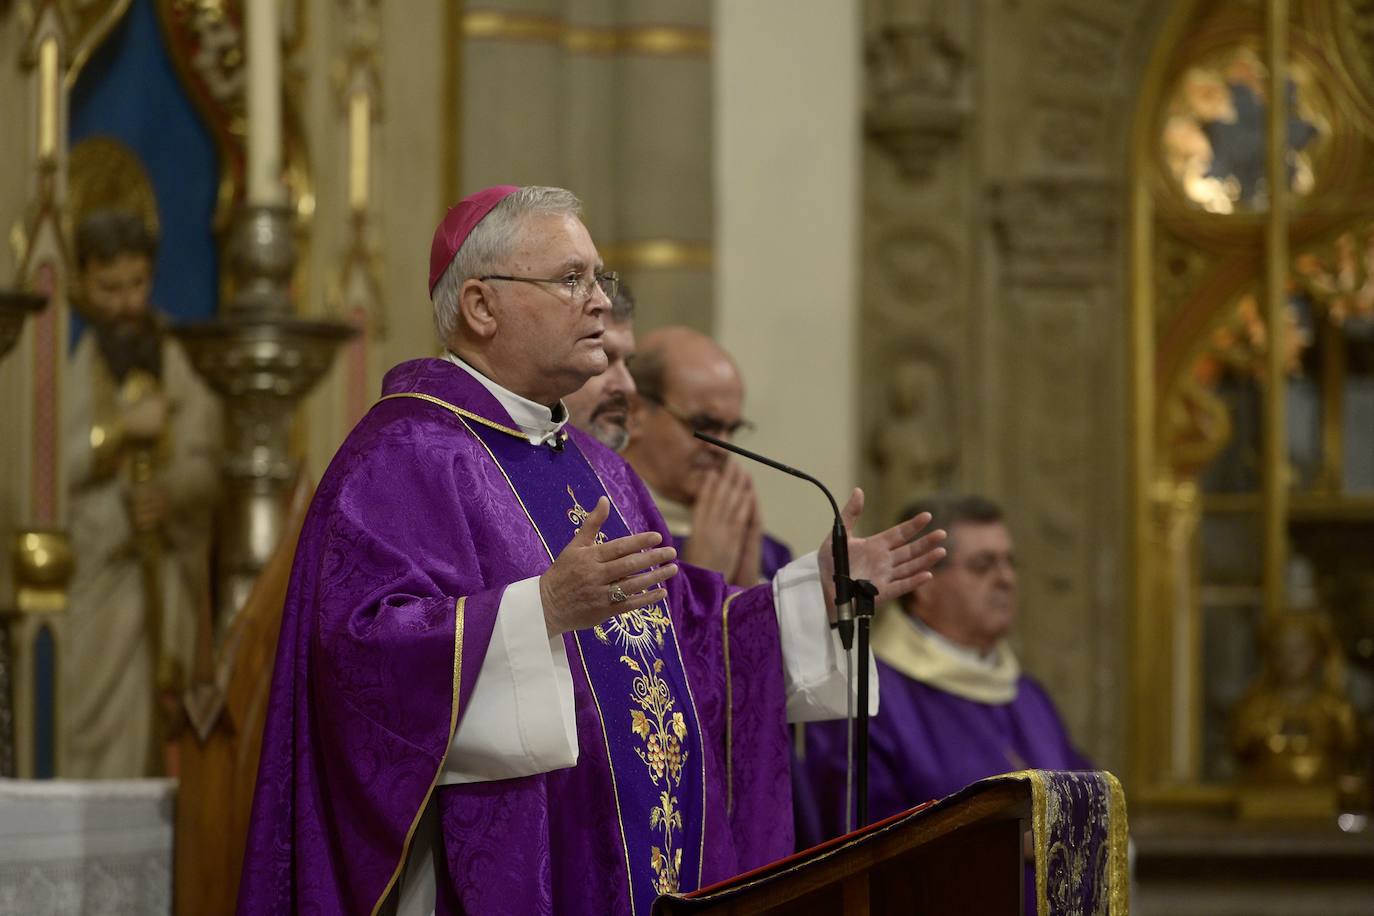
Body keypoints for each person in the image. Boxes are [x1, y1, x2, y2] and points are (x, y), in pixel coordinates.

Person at [237, 185, 947, 916]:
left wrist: (808, 598)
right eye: (571, 279)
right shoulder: (405, 454)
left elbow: (685, 638)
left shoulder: (600, 467)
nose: (601, 302)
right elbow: (358, 661)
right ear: (481, 307)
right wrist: (538, 609)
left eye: (598, 278)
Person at [795, 494, 1089, 913]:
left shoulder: (1028, 695)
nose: (1006, 578)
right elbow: (860, 849)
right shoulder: (865, 696)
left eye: (1009, 563)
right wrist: (1006, 844)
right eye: (984, 566)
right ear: (924, 582)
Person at [59, 209, 221, 778]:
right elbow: (48, 471)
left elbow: (210, 465)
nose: (127, 303)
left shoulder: (176, 356)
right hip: (97, 585)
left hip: (168, 585)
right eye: (110, 288)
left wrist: (171, 497)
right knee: (92, 743)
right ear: (81, 284)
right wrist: (118, 432)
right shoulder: (70, 365)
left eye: (137, 284)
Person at [623, 327, 791, 586]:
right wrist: (702, 576)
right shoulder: (606, 534)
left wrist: (746, 592)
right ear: (634, 412)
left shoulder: (770, 557)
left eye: (732, 429)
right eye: (704, 424)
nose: (721, 447)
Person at [563, 282, 637, 450]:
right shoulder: (492, 469)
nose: (628, 386)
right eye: (602, 356)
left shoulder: (623, 475)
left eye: (627, 363)